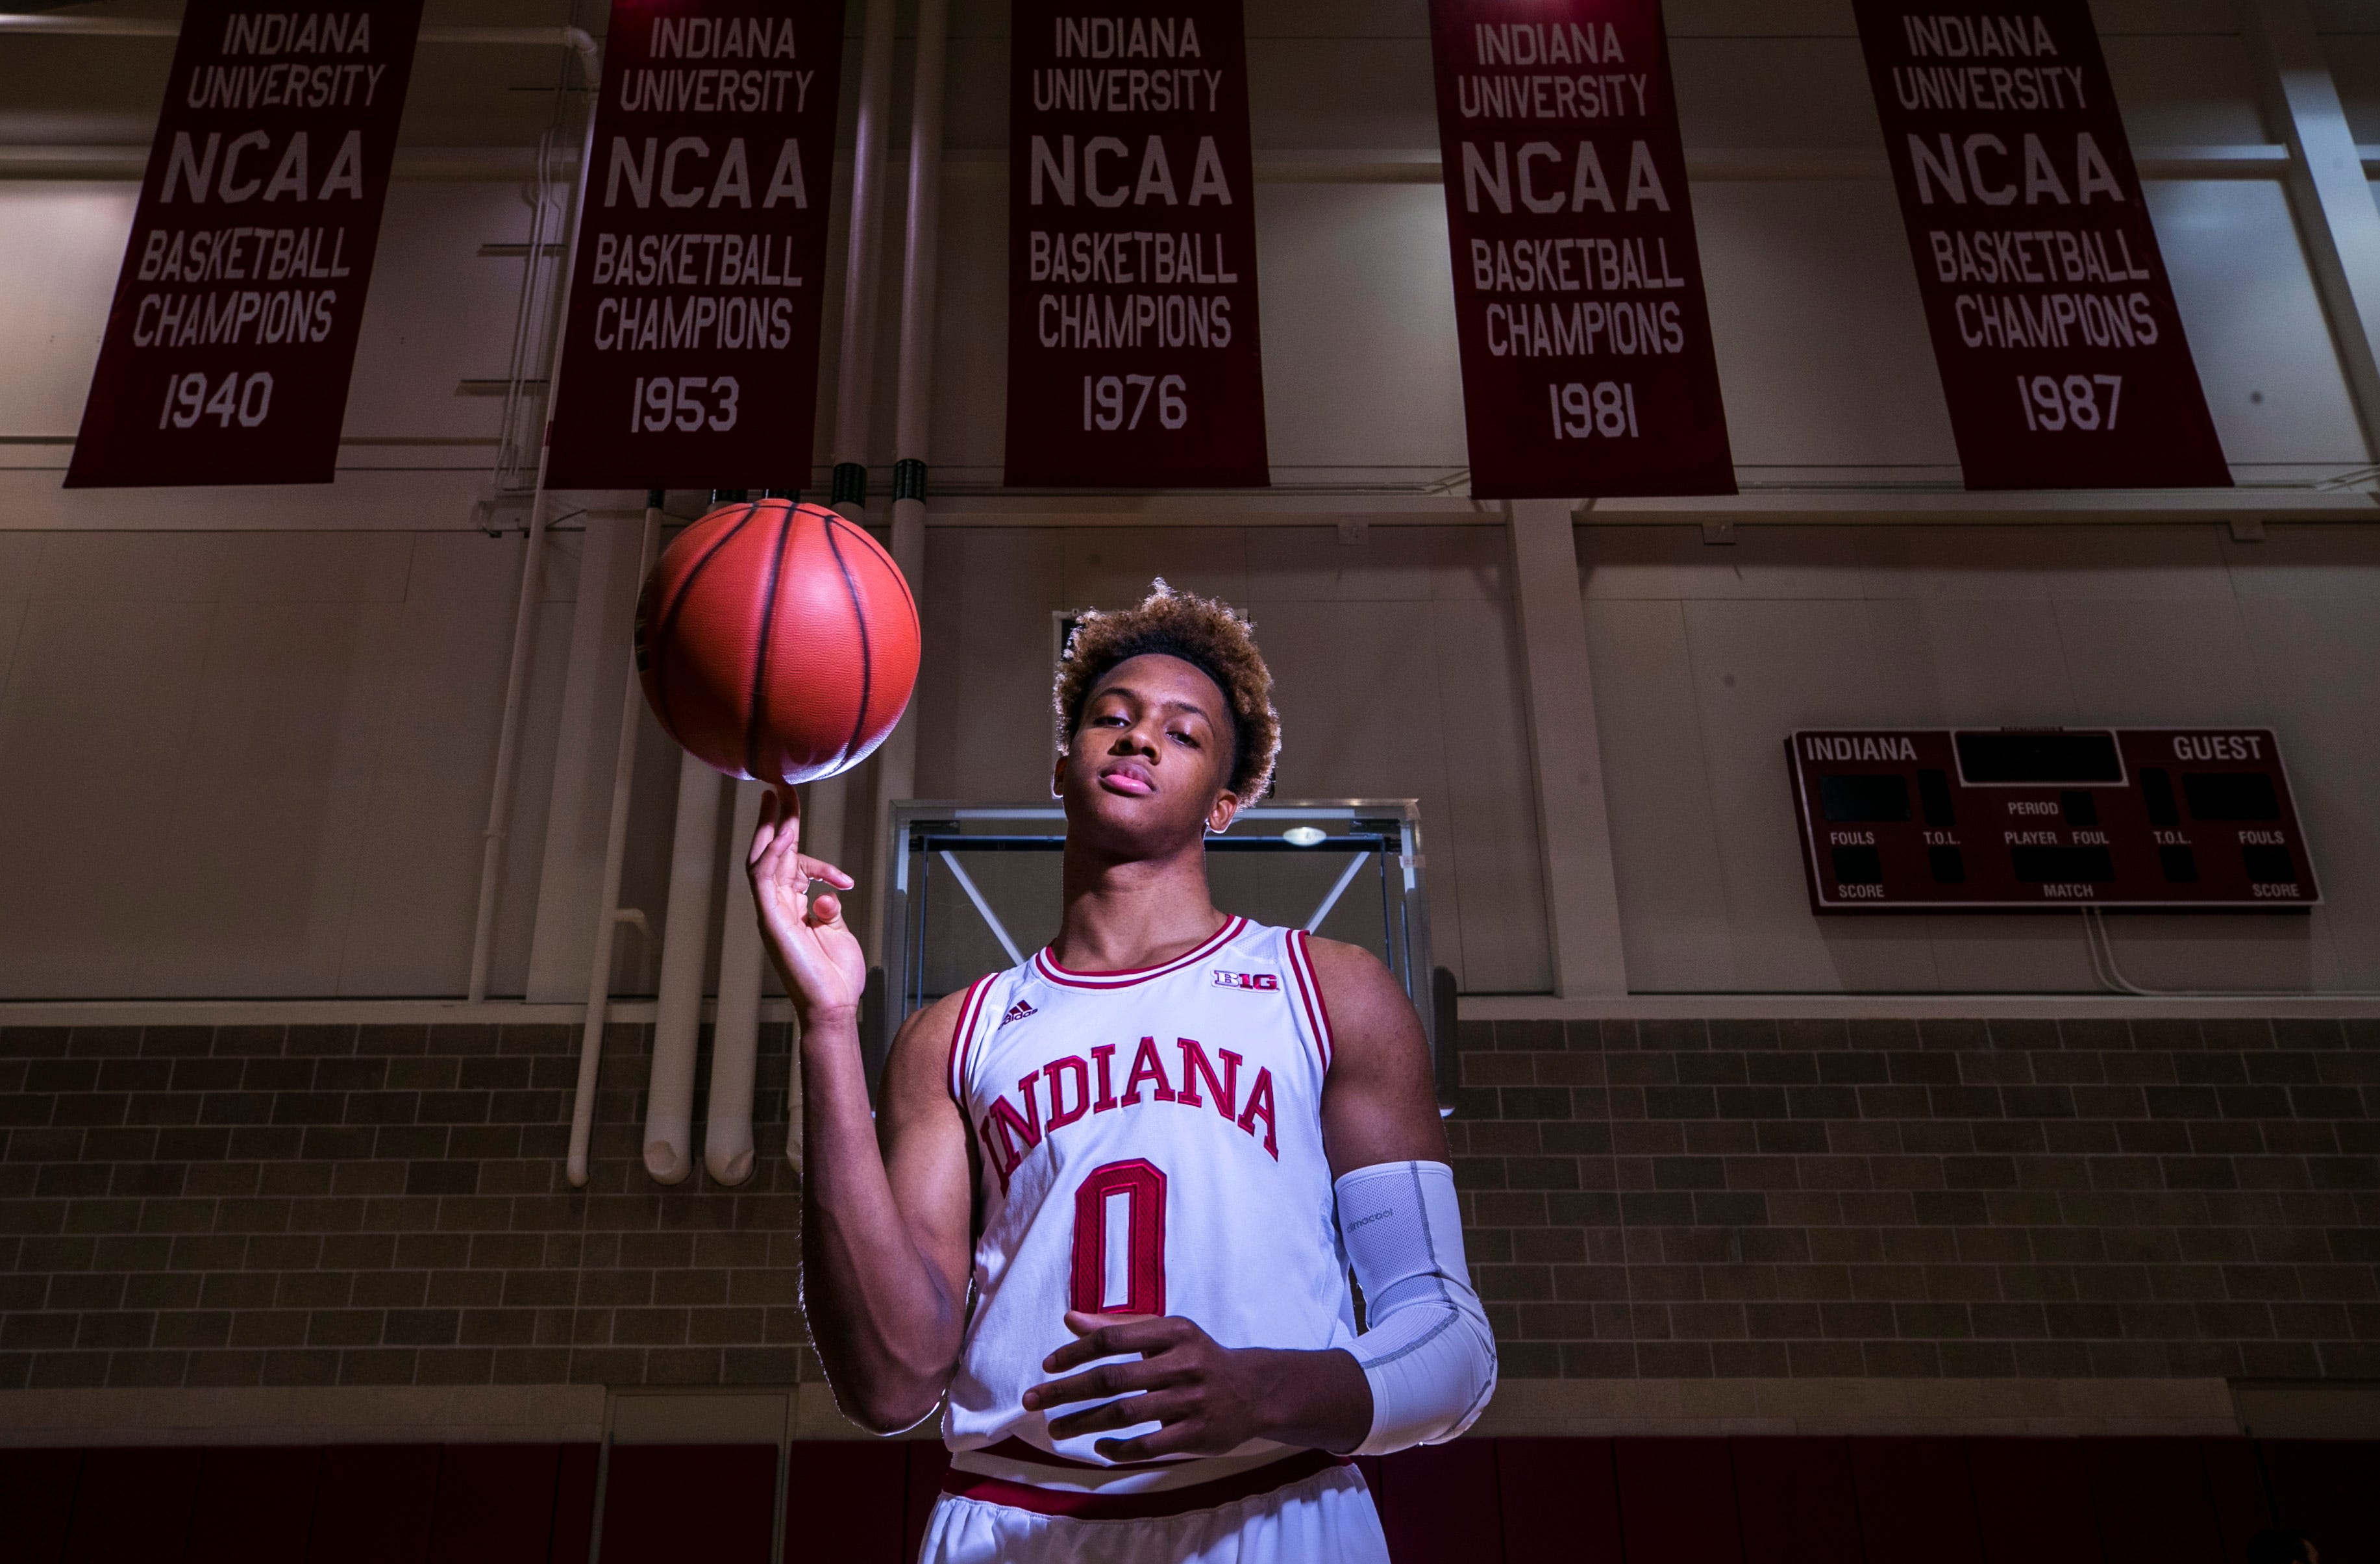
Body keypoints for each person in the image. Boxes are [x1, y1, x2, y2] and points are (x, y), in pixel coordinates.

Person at [749, 582, 1496, 1563]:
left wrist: (1259, 1388)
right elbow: (888, 1382)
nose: (1140, 738)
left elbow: (1448, 1339)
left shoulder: (1327, 992)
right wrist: (828, 1024)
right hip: (1013, 1517)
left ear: (1227, 803)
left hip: (1271, 1504)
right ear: (1060, 767)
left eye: (1183, 734)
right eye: (1113, 717)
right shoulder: (953, 1034)